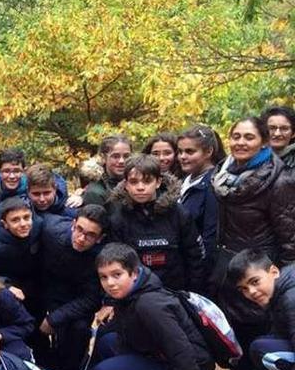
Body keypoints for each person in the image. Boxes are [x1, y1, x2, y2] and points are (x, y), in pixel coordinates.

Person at [211, 117, 295, 370]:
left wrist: (284, 271)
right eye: (236, 136)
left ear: (263, 141)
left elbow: (288, 231)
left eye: (249, 137)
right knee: (234, 327)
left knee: (259, 327)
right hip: (229, 262)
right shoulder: (223, 176)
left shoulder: (279, 179)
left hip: (260, 262)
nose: (241, 142)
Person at [86, 243, 216, 370]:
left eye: (117, 275)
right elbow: (126, 341)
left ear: (135, 273)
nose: (110, 283)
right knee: (108, 341)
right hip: (156, 355)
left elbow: (180, 348)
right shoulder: (127, 296)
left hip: (188, 368)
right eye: (104, 277)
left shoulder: (149, 304)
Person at [107, 154, 206, 293]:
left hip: (176, 294)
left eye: (147, 181)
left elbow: (195, 258)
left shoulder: (179, 214)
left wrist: (193, 295)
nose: (140, 187)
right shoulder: (118, 219)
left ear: (158, 182)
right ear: (126, 184)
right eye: (134, 182)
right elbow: (113, 264)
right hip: (136, 296)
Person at [37, 206, 108, 370]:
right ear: (73, 224)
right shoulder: (51, 231)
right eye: (79, 229)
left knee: (78, 330)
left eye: (90, 235)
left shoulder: (102, 256)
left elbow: (92, 299)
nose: (82, 238)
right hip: (47, 290)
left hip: (79, 299)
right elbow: (34, 213)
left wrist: (55, 318)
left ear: (100, 239)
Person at [228, 249, 295, 370]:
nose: (251, 291)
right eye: (243, 288)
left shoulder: (290, 297)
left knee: (262, 350)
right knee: (264, 343)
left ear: (274, 272)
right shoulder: (282, 289)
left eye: (255, 281)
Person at [0, 197, 45, 360]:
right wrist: (5, 286)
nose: (23, 224)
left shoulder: (39, 229)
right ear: (4, 224)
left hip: (37, 288)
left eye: (26, 218)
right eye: (15, 220)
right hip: (10, 295)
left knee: (40, 332)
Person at [177, 125, 224, 276]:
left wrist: (200, 274)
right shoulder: (185, 180)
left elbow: (210, 237)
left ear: (208, 152)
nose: (182, 156)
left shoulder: (212, 185)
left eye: (190, 151)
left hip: (200, 269)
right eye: (180, 151)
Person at [82, 135, 132, 206]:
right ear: (103, 158)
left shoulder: (139, 183)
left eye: (126, 156)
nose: (122, 161)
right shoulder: (96, 192)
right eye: (115, 156)